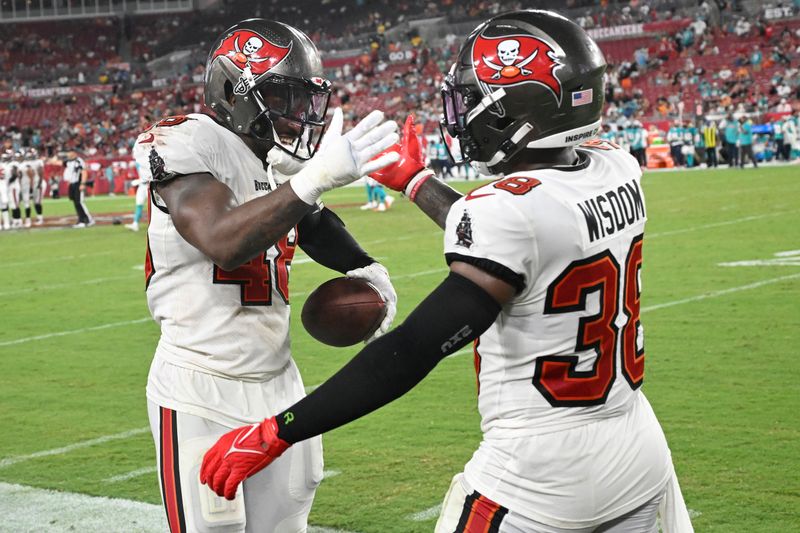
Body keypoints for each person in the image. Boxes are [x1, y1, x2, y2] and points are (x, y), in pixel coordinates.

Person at [199, 11, 693, 533]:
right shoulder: (616, 168)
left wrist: (279, 430)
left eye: (474, 99)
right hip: (638, 446)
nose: (463, 113)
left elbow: (411, 349)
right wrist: (415, 181)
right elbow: (524, 236)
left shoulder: (509, 212)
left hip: (539, 474)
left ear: (519, 111)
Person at [131, 19, 400, 533]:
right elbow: (223, 240)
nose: (296, 114)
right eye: (280, 95)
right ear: (235, 92)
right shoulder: (188, 139)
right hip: (200, 386)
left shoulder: (274, 158)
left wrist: (367, 268)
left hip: (281, 385)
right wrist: (315, 178)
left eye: (301, 99)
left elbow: (312, 221)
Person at [63, 150, 93, 228]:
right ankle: (81, 219)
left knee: (80, 202)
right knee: (76, 202)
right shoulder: (69, 162)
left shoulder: (79, 161)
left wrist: (82, 183)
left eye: (69, 152)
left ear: (74, 153)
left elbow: (84, 172)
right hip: (72, 183)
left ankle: (87, 220)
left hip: (78, 183)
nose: (68, 154)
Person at [125, 161, 148, 231]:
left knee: (154, 206)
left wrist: (139, 181)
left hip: (149, 185)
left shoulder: (147, 159)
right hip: (142, 186)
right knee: (139, 205)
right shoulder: (138, 161)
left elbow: (149, 176)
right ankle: (135, 224)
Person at [0, 150, 12, 230]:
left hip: (3, 185)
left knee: (4, 206)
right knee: (4, 206)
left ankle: (4, 224)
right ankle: (6, 224)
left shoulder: (4, 166)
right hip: (3, 185)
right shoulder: (5, 166)